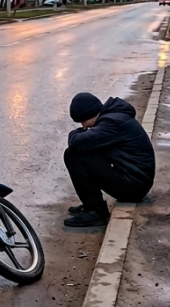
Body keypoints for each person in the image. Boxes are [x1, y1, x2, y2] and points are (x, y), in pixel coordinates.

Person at [62, 92, 155, 227]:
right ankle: (91, 206)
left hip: (134, 187)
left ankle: (95, 211)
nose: (84, 126)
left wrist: (75, 133)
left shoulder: (112, 123)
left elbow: (76, 142)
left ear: (91, 114)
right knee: (85, 152)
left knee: (73, 155)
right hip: (136, 180)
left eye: (83, 121)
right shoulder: (114, 117)